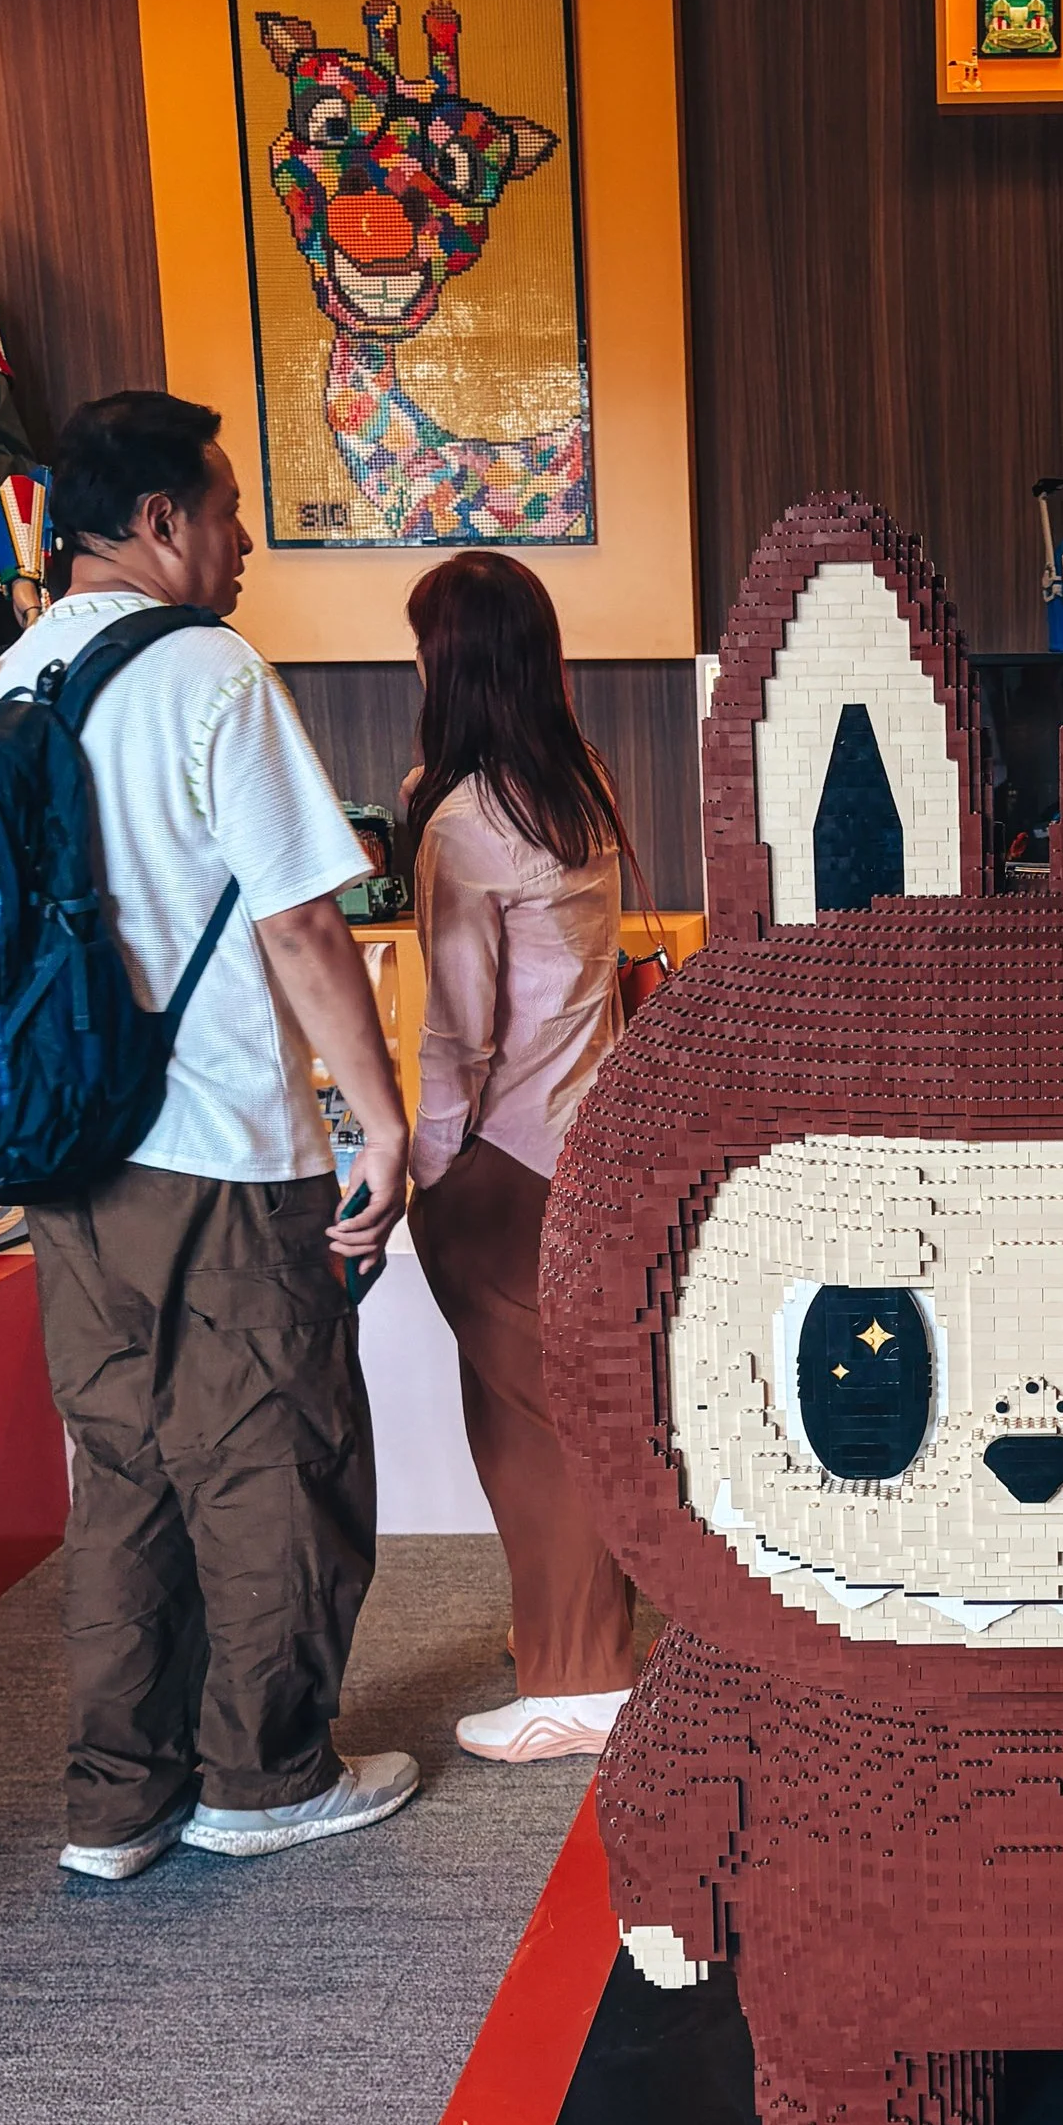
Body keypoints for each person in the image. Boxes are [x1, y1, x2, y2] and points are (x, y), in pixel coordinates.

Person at [0, 391, 419, 1880]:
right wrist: (377, 1118)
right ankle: (264, 1773)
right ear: (162, 519)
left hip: (66, 1144)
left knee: (121, 1470)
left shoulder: (19, 670)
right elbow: (303, 918)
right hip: (220, 1147)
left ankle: (117, 1800)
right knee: (272, 1457)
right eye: (228, 509)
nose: (242, 541)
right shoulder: (208, 674)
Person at [398, 550, 641, 1762]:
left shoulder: (461, 819)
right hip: (591, 1140)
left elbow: (454, 1031)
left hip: (495, 1159)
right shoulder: (579, 786)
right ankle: (567, 1639)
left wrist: (425, 1173)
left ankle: (578, 1683)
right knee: (578, 1410)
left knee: (528, 1426)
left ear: (450, 667)